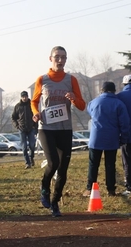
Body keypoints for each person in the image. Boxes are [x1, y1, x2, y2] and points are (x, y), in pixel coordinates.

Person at [31, 46, 86, 217]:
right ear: (50, 59)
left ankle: (55, 203)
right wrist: (36, 114)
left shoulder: (71, 80)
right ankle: (45, 188)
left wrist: (73, 99)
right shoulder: (42, 79)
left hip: (65, 129)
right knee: (53, 163)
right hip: (46, 128)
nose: (60, 61)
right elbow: (34, 102)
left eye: (63, 57)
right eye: (57, 57)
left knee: (63, 169)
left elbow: (82, 106)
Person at [83, 82, 130, 197]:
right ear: (114, 91)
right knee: (110, 165)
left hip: (96, 138)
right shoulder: (119, 104)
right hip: (112, 138)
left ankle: (90, 188)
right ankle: (111, 189)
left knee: (93, 164)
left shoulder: (94, 102)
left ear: (101, 90)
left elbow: (89, 110)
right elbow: (125, 123)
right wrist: (123, 138)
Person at [12, 90, 37, 169]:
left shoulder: (31, 104)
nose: (24, 98)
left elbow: (36, 115)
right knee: (24, 147)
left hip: (31, 128)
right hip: (22, 128)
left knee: (32, 145)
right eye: (23, 97)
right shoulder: (17, 106)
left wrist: (35, 126)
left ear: (27, 96)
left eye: (25, 96)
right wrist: (17, 125)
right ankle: (27, 163)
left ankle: (31, 157)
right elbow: (13, 117)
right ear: (21, 97)